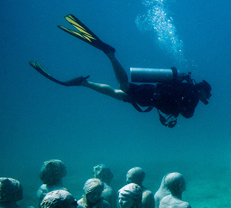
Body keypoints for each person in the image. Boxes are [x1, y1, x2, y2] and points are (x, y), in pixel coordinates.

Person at [29, 15, 211, 127]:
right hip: (151, 94)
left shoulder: (187, 89)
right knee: (123, 87)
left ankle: (85, 83)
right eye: (206, 95)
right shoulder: (192, 96)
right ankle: (110, 54)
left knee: (119, 94)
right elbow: (188, 114)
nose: (206, 99)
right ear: (202, 90)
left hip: (151, 96)